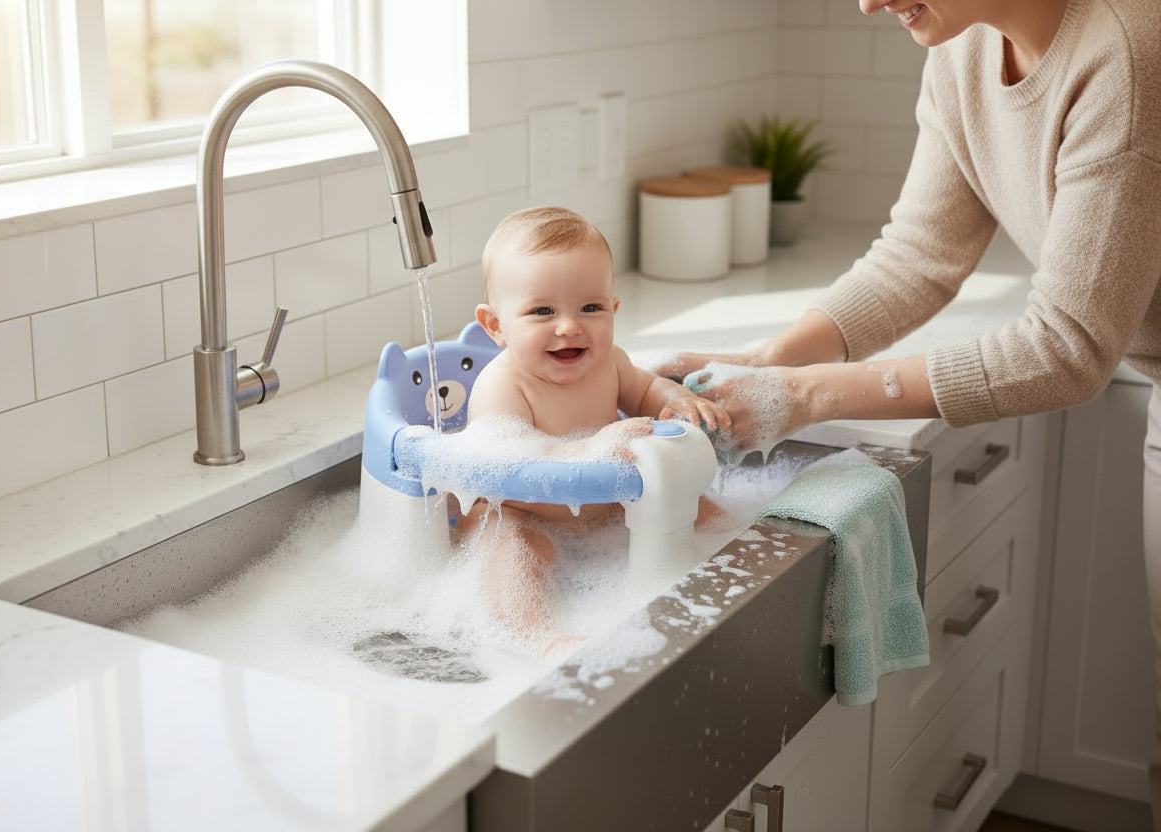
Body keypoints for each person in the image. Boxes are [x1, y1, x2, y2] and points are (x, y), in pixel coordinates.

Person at [658, 0, 1161, 824]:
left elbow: (1067, 350)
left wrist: (807, 396)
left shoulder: (1129, 54)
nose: (866, 2)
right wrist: (769, 361)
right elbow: (917, 258)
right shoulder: (966, 51)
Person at [457, 206, 731, 651]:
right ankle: (536, 636)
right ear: (496, 326)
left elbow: (645, 390)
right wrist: (592, 449)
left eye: (591, 307)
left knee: (691, 503)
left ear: (613, 309)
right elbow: (506, 466)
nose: (570, 326)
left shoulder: (610, 362)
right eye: (542, 311)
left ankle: (745, 554)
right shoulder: (501, 385)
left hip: (606, 504)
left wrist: (675, 399)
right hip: (521, 511)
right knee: (512, 548)